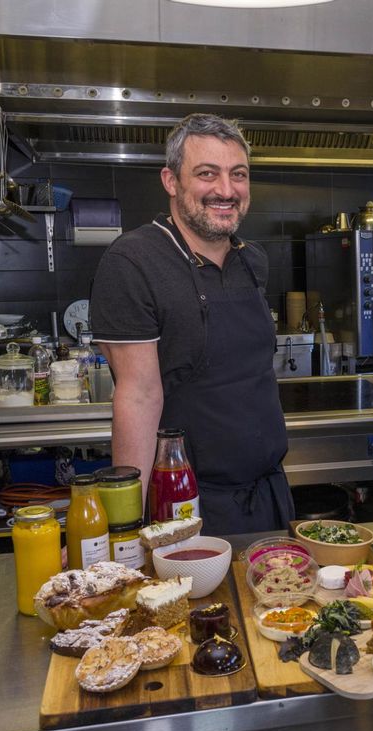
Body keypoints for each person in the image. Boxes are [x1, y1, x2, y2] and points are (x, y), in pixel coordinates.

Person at [89, 113, 293, 535]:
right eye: (207, 174)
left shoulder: (252, 260)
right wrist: (126, 526)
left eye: (238, 174)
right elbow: (139, 396)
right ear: (171, 181)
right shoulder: (133, 262)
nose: (226, 190)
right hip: (185, 504)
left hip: (268, 496)